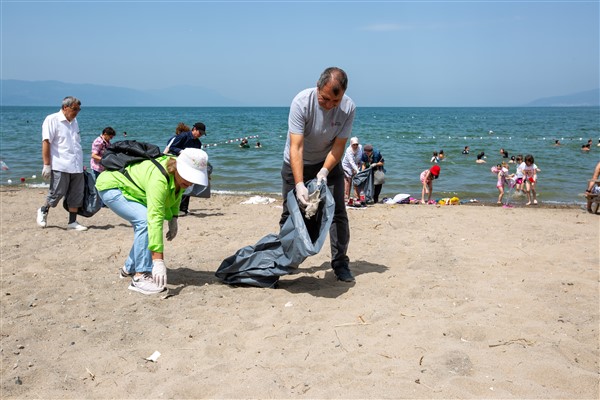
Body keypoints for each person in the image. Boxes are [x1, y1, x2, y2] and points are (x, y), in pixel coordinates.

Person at [95, 148, 209, 295]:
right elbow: (154, 219)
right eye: (189, 176)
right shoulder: (159, 178)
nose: (191, 182)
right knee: (145, 221)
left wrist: (174, 218)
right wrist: (158, 261)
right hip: (112, 186)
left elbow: (175, 193)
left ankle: (129, 268)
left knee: (145, 224)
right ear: (178, 167)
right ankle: (140, 276)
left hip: (133, 189)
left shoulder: (178, 175)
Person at [280, 66, 355, 282]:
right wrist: (300, 183)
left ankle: (340, 263)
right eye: (325, 99)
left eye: (335, 101)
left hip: (328, 163)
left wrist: (324, 171)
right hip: (296, 161)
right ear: (318, 87)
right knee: (290, 212)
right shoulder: (301, 102)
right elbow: (297, 146)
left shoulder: (348, 108)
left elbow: (339, 146)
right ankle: (288, 259)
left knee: (338, 213)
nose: (330, 105)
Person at [36, 96, 88, 231]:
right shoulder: (52, 119)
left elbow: (76, 143)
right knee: (57, 192)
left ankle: (72, 222)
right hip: (61, 163)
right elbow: (46, 142)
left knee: (76, 194)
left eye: (79, 109)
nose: (77, 112)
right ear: (65, 107)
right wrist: (46, 165)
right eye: (74, 109)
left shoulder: (75, 121)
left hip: (76, 164)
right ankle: (43, 210)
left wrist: (81, 162)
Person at [164, 122, 206, 215]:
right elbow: (172, 147)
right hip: (176, 163)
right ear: (194, 129)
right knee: (175, 186)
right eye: (200, 132)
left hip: (188, 166)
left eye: (202, 134)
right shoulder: (183, 136)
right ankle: (171, 205)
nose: (200, 135)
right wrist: (181, 151)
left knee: (187, 185)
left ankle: (183, 208)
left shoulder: (198, 143)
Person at [341, 137, 363, 204]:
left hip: (356, 166)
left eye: (356, 144)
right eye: (354, 144)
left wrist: (359, 166)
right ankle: (346, 197)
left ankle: (357, 197)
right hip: (347, 166)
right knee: (348, 181)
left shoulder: (360, 147)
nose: (355, 146)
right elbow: (351, 162)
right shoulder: (348, 150)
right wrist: (357, 170)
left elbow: (360, 158)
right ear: (351, 144)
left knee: (356, 182)